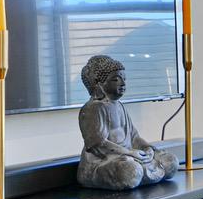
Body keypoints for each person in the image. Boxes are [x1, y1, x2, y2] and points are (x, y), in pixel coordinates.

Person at [76, 54, 177, 190]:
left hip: (130, 155)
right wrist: (128, 153)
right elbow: (97, 144)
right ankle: (139, 172)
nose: (123, 84)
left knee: (170, 162)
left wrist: (148, 148)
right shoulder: (92, 109)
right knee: (130, 171)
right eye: (116, 80)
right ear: (100, 84)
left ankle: (141, 170)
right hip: (102, 162)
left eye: (124, 79)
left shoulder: (120, 106)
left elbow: (134, 137)